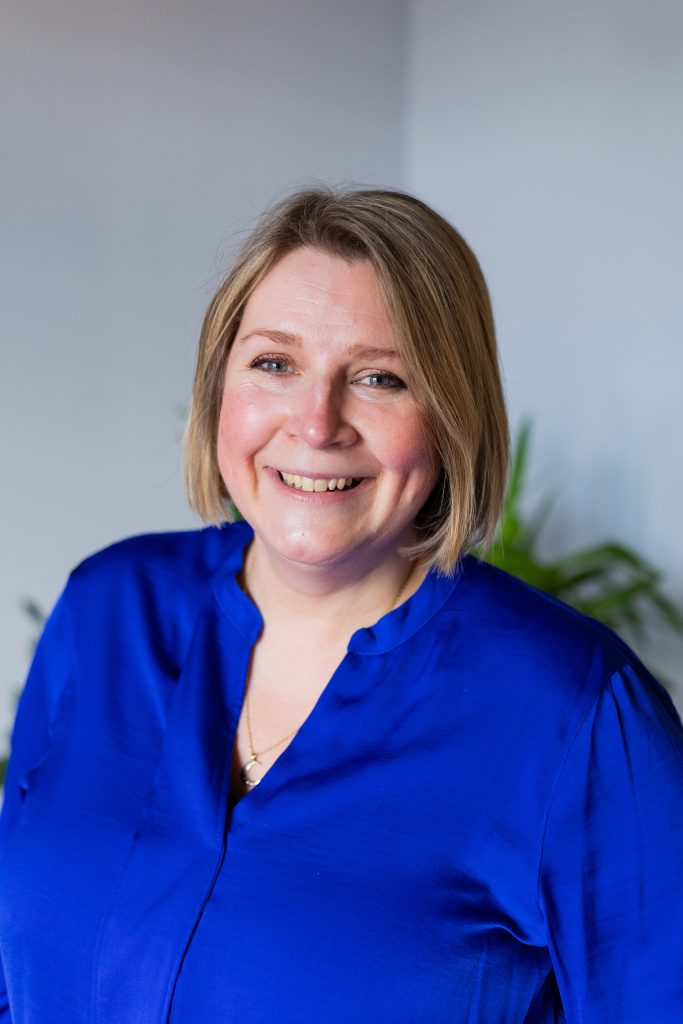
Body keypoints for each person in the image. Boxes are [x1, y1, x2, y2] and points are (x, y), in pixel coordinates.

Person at [0, 187, 682, 1023]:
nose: (316, 423)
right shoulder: (107, 610)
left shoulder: (575, 710)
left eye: (379, 377)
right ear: (220, 386)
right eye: (275, 364)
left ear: (450, 416)